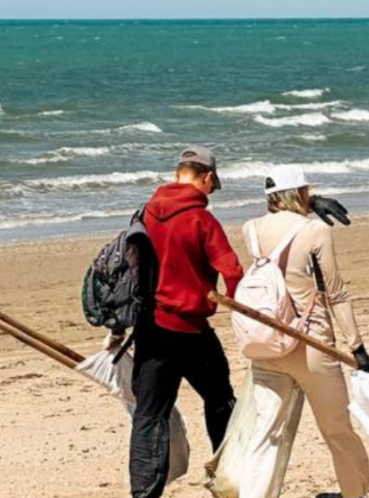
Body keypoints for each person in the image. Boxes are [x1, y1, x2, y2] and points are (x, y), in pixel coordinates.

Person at [238, 164, 369, 498]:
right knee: (337, 430)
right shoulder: (316, 230)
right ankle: (354, 494)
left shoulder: (250, 229)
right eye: (306, 191)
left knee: (265, 433)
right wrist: (357, 348)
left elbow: (281, 227)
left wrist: (306, 202)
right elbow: (336, 294)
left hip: (267, 343)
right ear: (299, 193)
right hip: (311, 345)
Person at [121, 146, 244, 498]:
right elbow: (232, 271)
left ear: (177, 175)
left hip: (150, 328)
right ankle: (228, 479)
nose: (211, 191)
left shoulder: (145, 212)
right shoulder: (202, 220)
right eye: (213, 185)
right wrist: (243, 310)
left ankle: (144, 493)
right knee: (221, 399)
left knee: (149, 414)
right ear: (207, 178)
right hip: (191, 330)